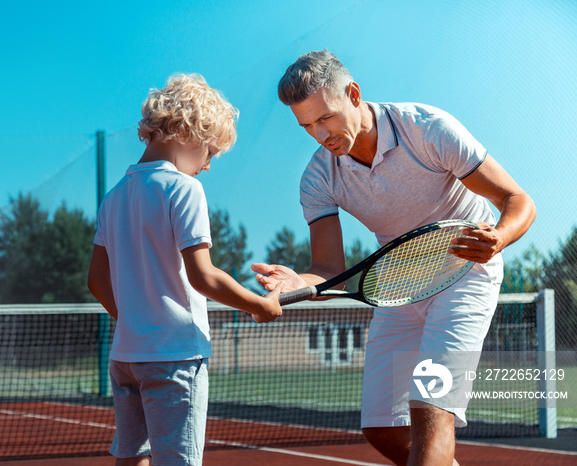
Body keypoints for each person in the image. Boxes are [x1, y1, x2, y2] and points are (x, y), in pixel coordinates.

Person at [252, 50, 535, 466]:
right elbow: (329, 271)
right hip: (399, 286)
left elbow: (516, 199)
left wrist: (499, 236)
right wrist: (298, 283)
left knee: (430, 413)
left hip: (466, 272)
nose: (320, 134)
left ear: (353, 93)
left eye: (326, 117)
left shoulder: (428, 129)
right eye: (306, 125)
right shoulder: (317, 178)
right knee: (383, 428)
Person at [88, 73, 284, 466]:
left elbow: (96, 281)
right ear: (185, 132)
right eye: (210, 152)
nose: (209, 166)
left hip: (125, 357)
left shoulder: (114, 197)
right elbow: (204, 276)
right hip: (175, 356)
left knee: (132, 458)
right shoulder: (184, 189)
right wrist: (258, 306)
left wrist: (138, 320)